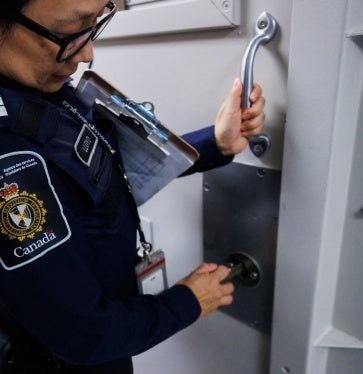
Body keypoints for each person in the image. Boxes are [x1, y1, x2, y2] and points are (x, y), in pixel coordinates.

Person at [0, 0, 265, 372]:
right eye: (68, 31)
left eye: (95, 22)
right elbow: (85, 333)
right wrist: (188, 301)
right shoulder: (7, 160)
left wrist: (214, 144)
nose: (87, 52)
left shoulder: (38, 90)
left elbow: (100, 168)